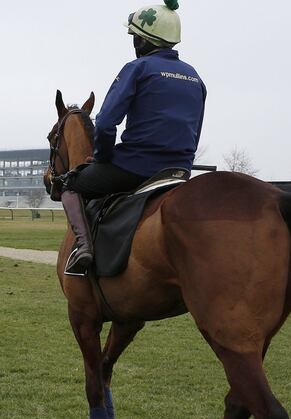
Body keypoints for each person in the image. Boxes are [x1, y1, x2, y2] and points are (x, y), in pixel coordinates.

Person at [61, 0, 206, 275]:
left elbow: (104, 123)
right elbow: (195, 130)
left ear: (144, 40)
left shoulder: (137, 68)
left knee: (70, 184)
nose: (134, 42)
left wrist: (102, 158)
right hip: (178, 171)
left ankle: (83, 248)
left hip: (135, 167)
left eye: (135, 37)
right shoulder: (195, 77)